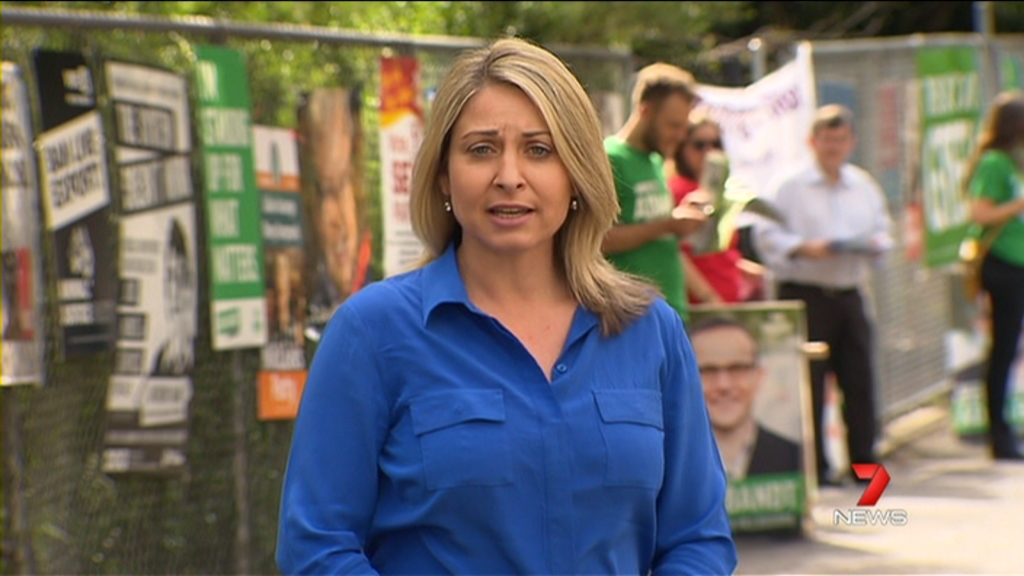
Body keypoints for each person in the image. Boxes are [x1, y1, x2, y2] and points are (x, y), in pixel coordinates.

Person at [276, 37, 737, 575]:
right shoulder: (372, 332)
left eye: (539, 150)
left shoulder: (651, 332)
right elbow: (317, 547)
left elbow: (698, 538)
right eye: (481, 149)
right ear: (443, 174)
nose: (510, 176)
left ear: (576, 174)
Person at [752, 104, 893, 486]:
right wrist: (802, 248)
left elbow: (883, 231)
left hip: (849, 292)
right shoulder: (788, 185)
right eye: (827, 140)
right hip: (805, 293)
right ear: (812, 141)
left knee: (859, 381)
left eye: (840, 139)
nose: (834, 147)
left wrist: (873, 246)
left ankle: (864, 464)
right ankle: (817, 470)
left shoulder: (863, 185)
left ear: (852, 142)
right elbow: (765, 235)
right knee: (808, 385)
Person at [602, 62, 708, 323]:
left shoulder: (656, 161)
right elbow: (597, 239)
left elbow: (653, 228)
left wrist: (681, 219)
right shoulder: (609, 158)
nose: (681, 136)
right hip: (630, 315)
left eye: (685, 127)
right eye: (673, 125)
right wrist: (667, 225)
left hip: (671, 312)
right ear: (645, 111)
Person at [963, 90, 1024, 461]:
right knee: (1003, 347)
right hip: (1003, 263)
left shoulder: (1015, 162)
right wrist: (1017, 204)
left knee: (1011, 346)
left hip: (1019, 261)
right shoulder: (995, 163)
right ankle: (998, 433)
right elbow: (981, 213)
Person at [667, 112, 766, 305]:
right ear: (681, 149)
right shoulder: (678, 190)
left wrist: (741, 267)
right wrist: (709, 298)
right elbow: (676, 254)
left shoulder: (718, 192)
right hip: (701, 307)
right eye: (699, 145)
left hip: (728, 302)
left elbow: (712, 252)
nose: (709, 152)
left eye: (716, 144)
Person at [690, 315, 802, 481]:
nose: (723, 385)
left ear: (759, 376)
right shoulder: (666, 462)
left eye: (737, 368)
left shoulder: (797, 459)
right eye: (707, 370)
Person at [151, 218, 196, 376]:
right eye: (169, 278)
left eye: (180, 278)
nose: (173, 290)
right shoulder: (159, 358)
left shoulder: (199, 351)